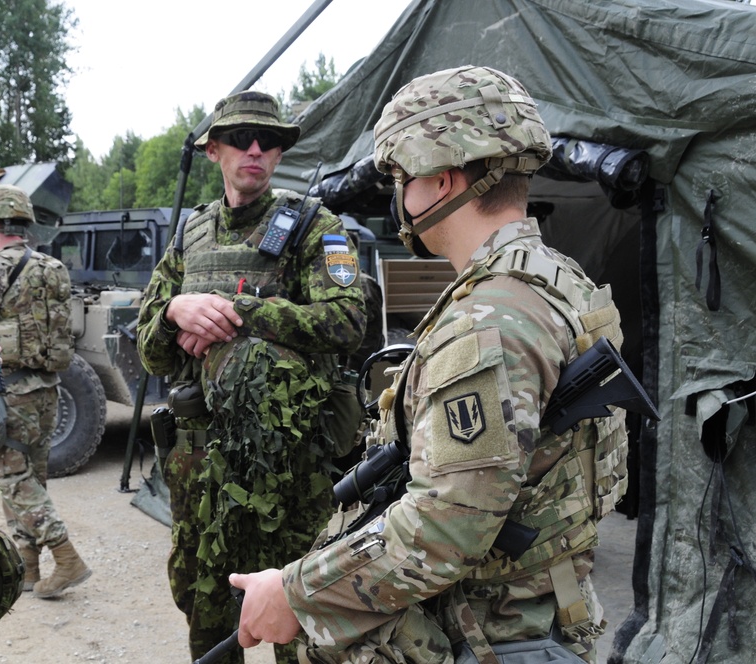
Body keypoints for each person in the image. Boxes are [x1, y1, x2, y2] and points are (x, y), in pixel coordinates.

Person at [229, 66, 630, 664]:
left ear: (441, 181)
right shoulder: (558, 279)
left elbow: (443, 528)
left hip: (494, 637)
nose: (398, 196)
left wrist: (296, 594)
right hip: (543, 615)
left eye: (400, 177)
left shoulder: (489, 319)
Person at [136, 90, 368, 664]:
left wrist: (233, 312)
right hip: (202, 462)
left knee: (302, 619)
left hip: (291, 464)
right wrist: (173, 313)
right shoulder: (191, 235)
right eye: (241, 139)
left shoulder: (315, 225)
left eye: (270, 141)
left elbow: (347, 321)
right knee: (206, 611)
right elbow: (152, 354)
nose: (256, 150)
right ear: (215, 149)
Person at [0, 184, 91, 599]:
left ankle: (66, 557)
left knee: (12, 479)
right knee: (32, 477)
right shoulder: (53, 268)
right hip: (48, 391)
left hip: (9, 395)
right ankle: (28, 567)